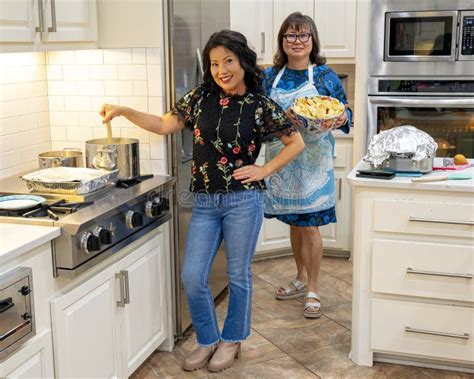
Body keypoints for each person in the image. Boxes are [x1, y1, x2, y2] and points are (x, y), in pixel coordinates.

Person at [100, 30, 304, 372]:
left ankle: (233, 338)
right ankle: (208, 339)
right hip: (206, 203)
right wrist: (124, 110)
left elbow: (295, 142)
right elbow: (164, 125)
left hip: (244, 202)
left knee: (238, 275)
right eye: (213, 64)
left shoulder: (259, 104)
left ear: (242, 62)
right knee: (193, 276)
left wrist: (264, 169)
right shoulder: (199, 99)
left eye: (228, 61)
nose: (221, 70)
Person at [262, 12, 351, 319]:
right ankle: (300, 277)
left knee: (309, 224)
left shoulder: (325, 76)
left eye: (303, 36)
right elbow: (260, 114)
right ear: (282, 41)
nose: (297, 41)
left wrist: (341, 118)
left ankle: (312, 287)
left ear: (312, 41)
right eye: (290, 35)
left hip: (314, 161)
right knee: (295, 222)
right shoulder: (269, 76)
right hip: (282, 160)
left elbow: (344, 113)